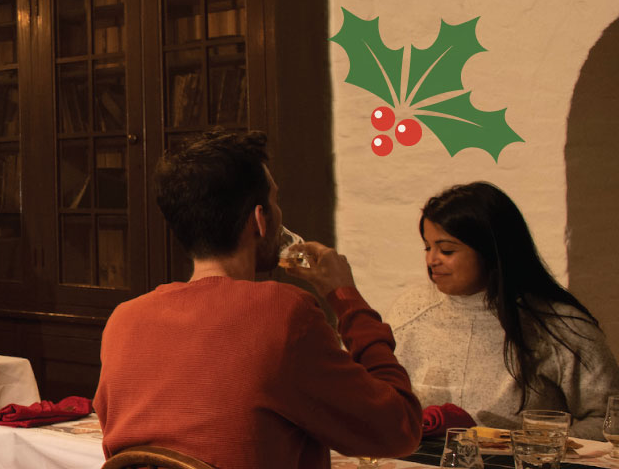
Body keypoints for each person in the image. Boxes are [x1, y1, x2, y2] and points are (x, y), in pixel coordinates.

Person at [93, 130, 421, 468]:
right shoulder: (282, 312)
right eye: (276, 201)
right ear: (260, 220)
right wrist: (346, 298)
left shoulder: (123, 319)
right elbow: (399, 429)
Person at [381, 182, 619, 438]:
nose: (431, 260)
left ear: (492, 251)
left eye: (446, 250)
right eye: (428, 247)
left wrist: (538, 444)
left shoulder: (558, 324)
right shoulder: (409, 312)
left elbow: (609, 417)